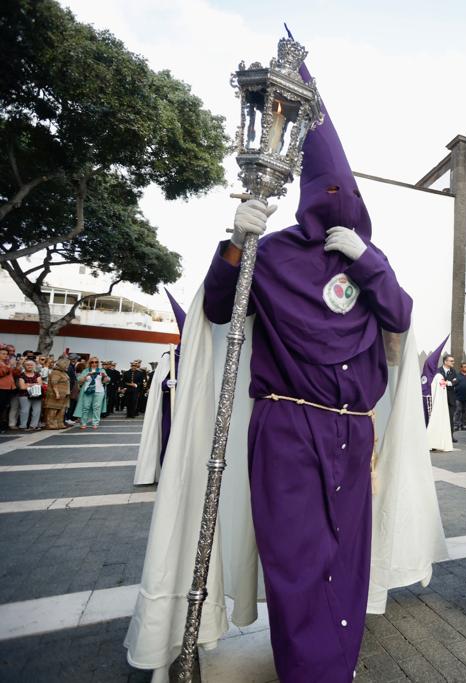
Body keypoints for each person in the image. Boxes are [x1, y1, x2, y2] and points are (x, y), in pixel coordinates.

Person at [126, 57, 446, 683]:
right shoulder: (268, 256)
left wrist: (366, 262)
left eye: (347, 196)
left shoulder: (367, 260)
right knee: (298, 559)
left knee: (346, 556)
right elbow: (217, 308)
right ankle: (308, 670)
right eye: (327, 195)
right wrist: (234, 245)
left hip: (354, 434)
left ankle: (336, 663)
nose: (338, 206)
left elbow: (401, 316)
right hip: (288, 429)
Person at [136, 290, 187, 486]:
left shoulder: (198, 356)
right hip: (170, 406)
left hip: (189, 406)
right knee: (168, 438)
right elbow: (159, 383)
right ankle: (166, 473)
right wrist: (167, 384)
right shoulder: (171, 356)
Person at [74, 357, 107, 430]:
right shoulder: (86, 370)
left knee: (97, 407)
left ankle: (95, 423)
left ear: (98, 363)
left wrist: (105, 376)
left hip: (99, 391)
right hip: (87, 391)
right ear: (89, 363)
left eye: (96, 362)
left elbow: (106, 381)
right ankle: (83, 423)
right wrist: (87, 375)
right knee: (85, 407)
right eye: (92, 362)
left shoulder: (102, 370)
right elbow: (79, 380)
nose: (94, 363)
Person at [43, 358, 71, 429]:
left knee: (61, 410)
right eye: (66, 365)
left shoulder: (63, 372)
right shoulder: (56, 372)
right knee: (53, 409)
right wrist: (57, 393)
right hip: (56, 394)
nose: (67, 366)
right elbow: (54, 383)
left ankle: (59, 423)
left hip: (64, 394)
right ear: (62, 364)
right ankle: (50, 424)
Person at [16, 358, 44, 430]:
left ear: (34, 366)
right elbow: (22, 387)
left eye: (31, 365)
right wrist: (34, 384)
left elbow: (40, 385)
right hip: (24, 395)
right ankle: (23, 426)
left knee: (37, 411)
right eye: (27, 365)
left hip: (37, 395)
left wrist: (28, 384)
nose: (29, 366)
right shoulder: (21, 375)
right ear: (24, 366)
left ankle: (33, 426)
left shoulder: (37, 374)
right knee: (24, 411)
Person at [440, 353, 459, 439]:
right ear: (445, 361)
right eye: (451, 361)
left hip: (451, 399)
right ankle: (441, 436)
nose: (453, 362)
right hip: (440, 398)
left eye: (453, 361)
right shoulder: (438, 371)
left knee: (450, 418)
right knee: (441, 417)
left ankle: (450, 436)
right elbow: (439, 382)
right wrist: (450, 382)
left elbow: (456, 381)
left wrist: (447, 382)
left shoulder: (453, 371)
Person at [452, 360, 466, 431]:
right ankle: (456, 425)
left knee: (465, 412)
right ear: (461, 368)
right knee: (458, 411)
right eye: (464, 367)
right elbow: (452, 384)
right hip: (458, 397)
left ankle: (463, 425)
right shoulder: (457, 376)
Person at [0, 347, 15, 433]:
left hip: (8, 388)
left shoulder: (6, 363)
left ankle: (3, 425)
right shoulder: (3, 364)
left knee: (4, 407)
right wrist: (9, 366)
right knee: (1, 407)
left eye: (6, 354)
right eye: (3, 354)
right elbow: (1, 373)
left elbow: (15, 373)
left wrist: (17, 366)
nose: (6, 356)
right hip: (1, 387)